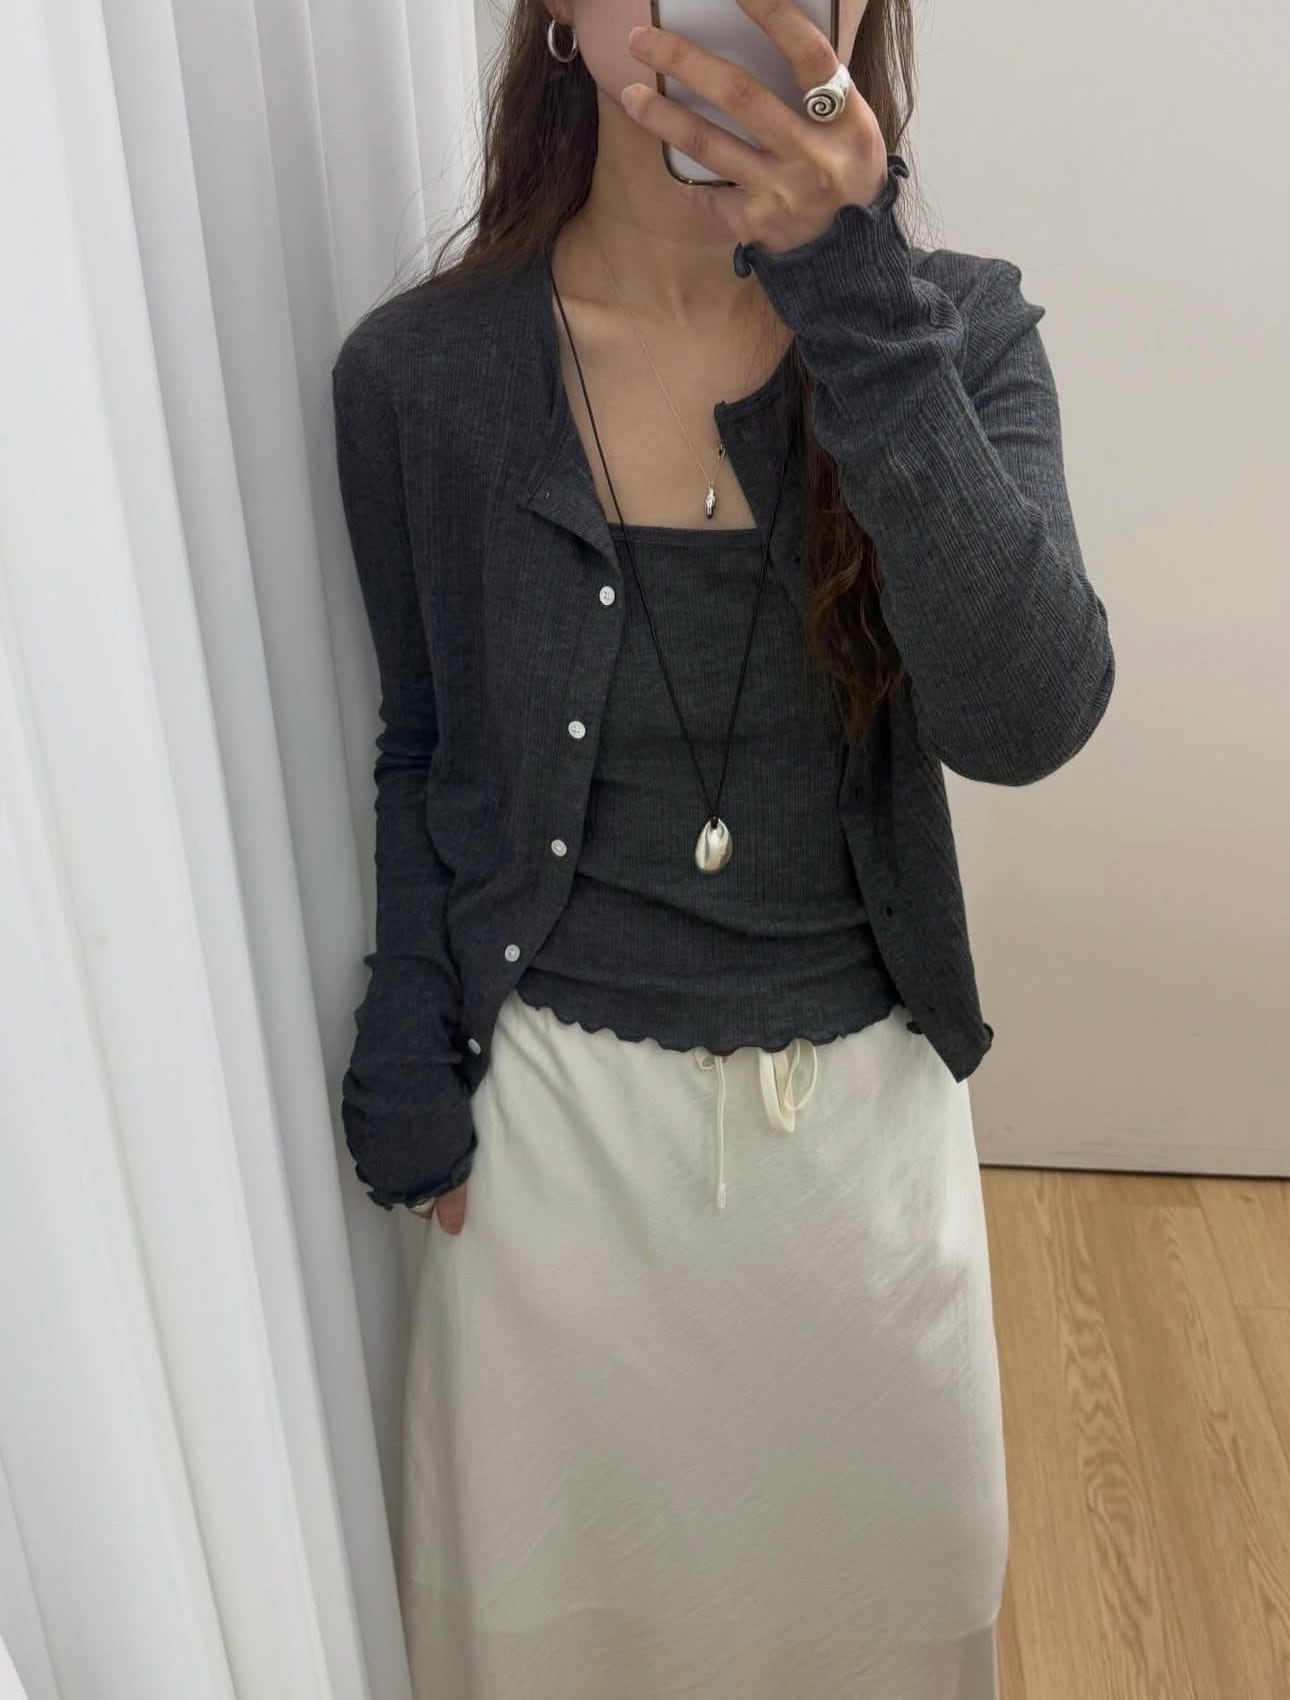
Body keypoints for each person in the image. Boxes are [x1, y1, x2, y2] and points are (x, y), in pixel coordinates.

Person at [330, 2, 1115, 1696]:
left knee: (876, 1632)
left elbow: (1027, 718)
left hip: (858, 1159)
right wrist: (407, 1033)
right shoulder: (420, 377)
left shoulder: (950, 330)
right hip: (549, 1163)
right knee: (549, 1645)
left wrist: (847, 284)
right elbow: (423, 738)